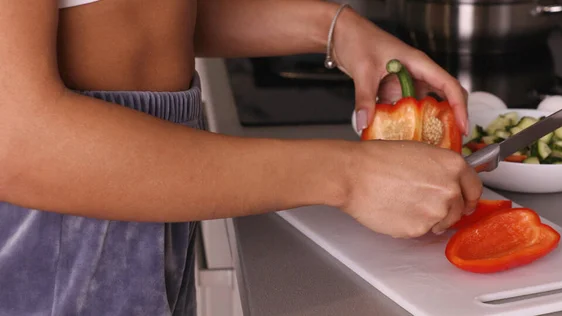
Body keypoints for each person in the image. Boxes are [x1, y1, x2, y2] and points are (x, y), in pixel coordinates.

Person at [0, 0, 483, 315]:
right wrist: (347, 176)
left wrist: (334, 29)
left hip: (149, 189)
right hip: (59, 216)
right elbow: (18, 140)